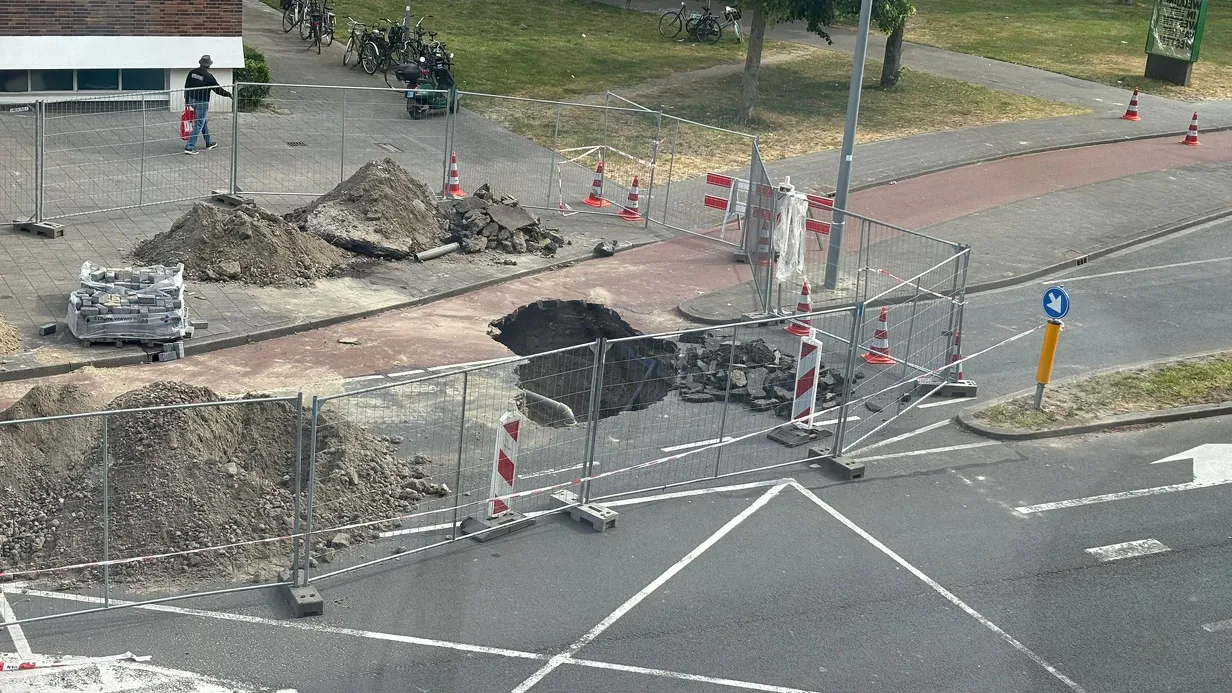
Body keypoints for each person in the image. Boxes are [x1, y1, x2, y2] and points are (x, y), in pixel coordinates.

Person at [183, 55, 233, 155]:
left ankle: (208, 142)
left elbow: (187, 86)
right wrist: (228, 94)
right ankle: (189, 146)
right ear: (209, 65)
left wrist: (187, 100)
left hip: (192, 100)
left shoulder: (192, 73)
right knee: (199, 123)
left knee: (203, 121)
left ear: (200, 63)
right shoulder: (209, 77)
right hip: (202, 102)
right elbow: (218, 90)